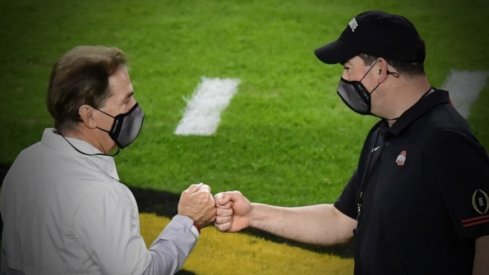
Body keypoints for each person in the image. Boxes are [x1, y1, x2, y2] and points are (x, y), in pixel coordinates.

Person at [214, 10, 489, 274]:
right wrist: (252, 215)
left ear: (380, 69)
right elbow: (341, 221)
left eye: (348, 68)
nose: (344, 79)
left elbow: (485, 238)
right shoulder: (383, 134)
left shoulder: (445, 141)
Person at [0, 45, 216, 274]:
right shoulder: (101, 194)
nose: (135, 108)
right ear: (90, 116)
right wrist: (188, 220)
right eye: (126, 100)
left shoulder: (26, 162)